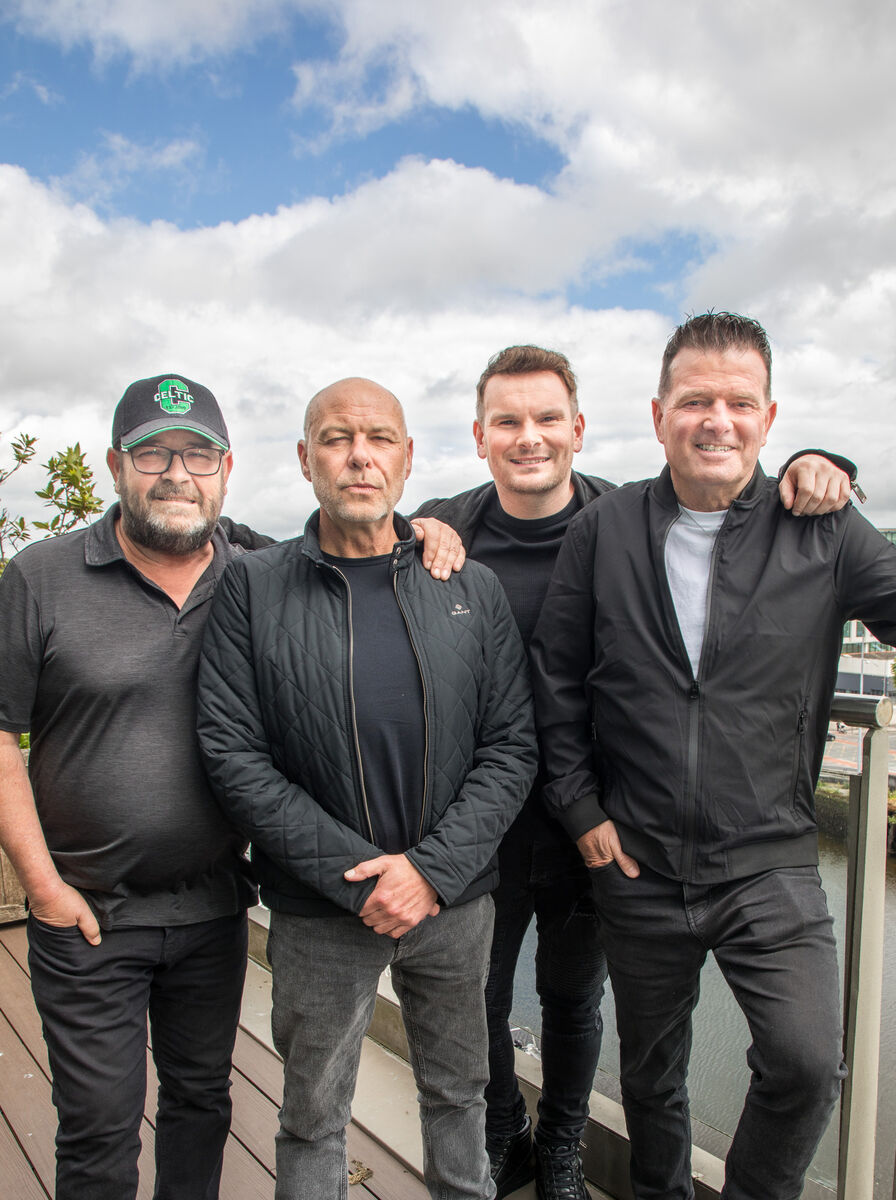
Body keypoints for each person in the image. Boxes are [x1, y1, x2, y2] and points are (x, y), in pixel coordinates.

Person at [412, 344, 855, 1199]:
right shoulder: (444, 527)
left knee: (575, 1001)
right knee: (478, 999)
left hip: (599, 825)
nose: (529, 437)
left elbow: (730, 512)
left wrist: (821, 464)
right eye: (508, 421)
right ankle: (507, 1128)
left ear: (579, 431)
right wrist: (413, 529)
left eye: (547, 419)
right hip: (480, 819)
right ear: (478, 436)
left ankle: (566, 1142)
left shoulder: (617, 522)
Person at [530, 312, 896, 1200]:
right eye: (696, 400)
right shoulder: (606, 528)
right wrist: (581, 812)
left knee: (808, 1064)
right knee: (654, 1079)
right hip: (637, 862)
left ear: (770, 419)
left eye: (739, 402)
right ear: (659, 414)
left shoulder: (825, 530)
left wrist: (838, 468)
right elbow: (557, 679)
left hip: (768, 862)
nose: (717, 421)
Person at [196, 376, 538, 1200]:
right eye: (338, 438)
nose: (359, 455)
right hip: (323, 910)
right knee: (313, 1116)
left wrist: (429, 872)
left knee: (462, 1099)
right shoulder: (254, 587)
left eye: (379, 437)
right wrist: (360, 878)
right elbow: (233, 750)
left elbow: (511, 745)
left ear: (408, 456)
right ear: (306, 458)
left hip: (453, 905)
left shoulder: (467, 584)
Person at [0, 374, 264, 1200]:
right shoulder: (41, 575)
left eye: (198, 454)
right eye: (154, 453)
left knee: (201, 1104)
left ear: (227, 470)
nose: (176, 473)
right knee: (99, 1129)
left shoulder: (262, 571)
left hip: (215, 908)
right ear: (117, 465)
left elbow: (365, 540)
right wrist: (42, 888)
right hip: (86, 915)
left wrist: (434, 529)